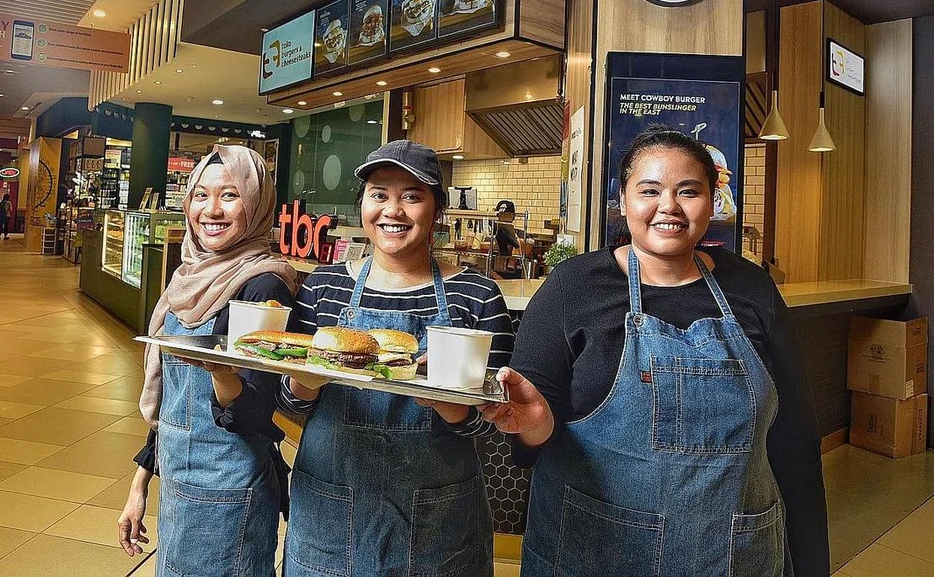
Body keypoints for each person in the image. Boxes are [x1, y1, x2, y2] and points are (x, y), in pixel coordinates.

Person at [482, 125, 830, 576]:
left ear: (712, 203)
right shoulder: (575, 287)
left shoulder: (752, 288)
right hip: (596, 555)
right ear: (623, 201)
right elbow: (529, 442)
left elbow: (795, 439)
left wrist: (811, 563)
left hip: (733, 556)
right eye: (650, 190)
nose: (669, 206)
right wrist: (533, 423)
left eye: (689, 191)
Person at [276, 140, 515, 576]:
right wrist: (304, 381)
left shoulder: (477, 297)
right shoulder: (322, 287)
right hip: (330, 509)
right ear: (363, 204)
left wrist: (447, 402)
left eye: (412, 196)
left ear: (437, 210)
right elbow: (289, 402)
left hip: (438, 518)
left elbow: (495, 416)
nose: (393, 211)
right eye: (379, 194)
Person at [118, 145, 300, 577]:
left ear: (256, 205)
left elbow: (257, 412)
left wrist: (221, 372)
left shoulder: (263, 285)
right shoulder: (189, 277)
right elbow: (173, 401)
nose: (211, 210)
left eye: (230, 195)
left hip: (229, 488)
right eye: (200, 195)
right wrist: (140, 483)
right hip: (180, 480)